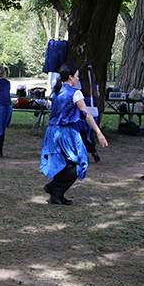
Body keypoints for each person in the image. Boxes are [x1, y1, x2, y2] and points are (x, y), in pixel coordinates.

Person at [40, 62, 108, 205]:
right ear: (70, 77)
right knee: (79, 162)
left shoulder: (57, 90)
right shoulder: (75, 93)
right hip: (66, 132)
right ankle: (54, 188)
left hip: (53, 132)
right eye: (77, 76)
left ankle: (57, 195)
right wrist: (99, 133)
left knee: (63, 163)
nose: (78, 79)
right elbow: (87, 115)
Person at [77, 64, 101, 163]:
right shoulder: (95, 85)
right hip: (94, 112)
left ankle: (86, 153)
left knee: (83, 133)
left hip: (84, 111)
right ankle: (93, 151)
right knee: (90, 133)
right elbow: (98, 95)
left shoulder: (80, 84)